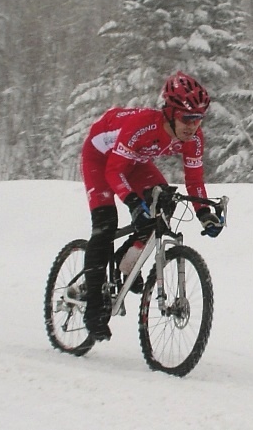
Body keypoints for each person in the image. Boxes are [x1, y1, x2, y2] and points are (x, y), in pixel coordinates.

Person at [80, 71, 224, 342]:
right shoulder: (143, 126)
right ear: (169, 112)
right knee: (105, 224)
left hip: (134, 161)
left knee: (164, 202)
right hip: (100, 160)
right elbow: (113, 172)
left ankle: (126, 263)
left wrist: (204, 213)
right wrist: (133, 203)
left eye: (198, 119)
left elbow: (194, 180)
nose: (192, 126)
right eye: (186, 118)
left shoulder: (193, 138)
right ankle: (93, 309)